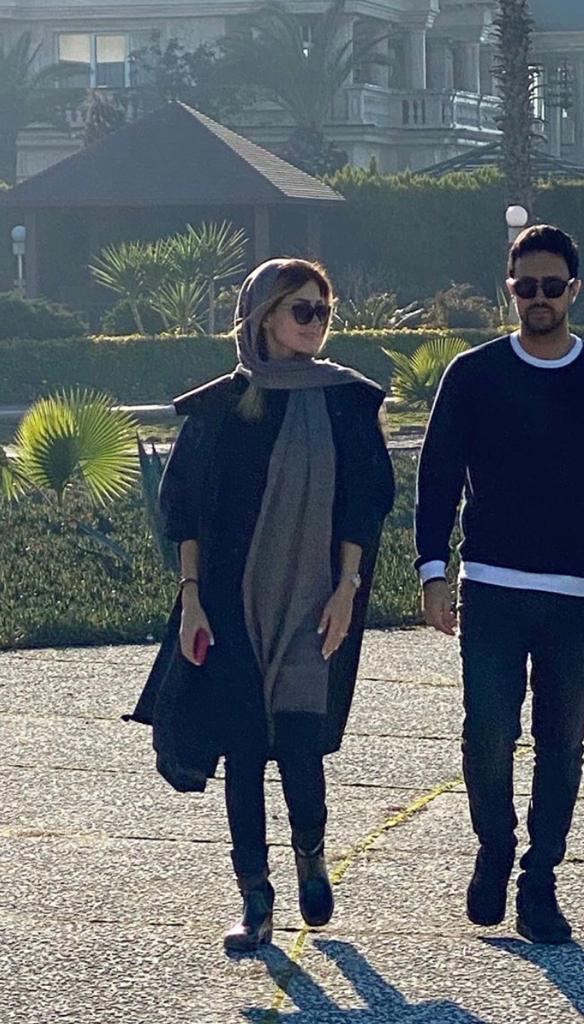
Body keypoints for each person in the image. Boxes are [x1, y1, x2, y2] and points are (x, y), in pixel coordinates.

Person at [127, 257, 395, 951]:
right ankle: (255, 898)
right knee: (243, 753)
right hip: (230, 606)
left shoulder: (346, 399)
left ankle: (311, 856)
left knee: (301, 749)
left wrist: (347, 590)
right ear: (265, 318)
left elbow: (365, 506)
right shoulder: (222, 406)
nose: (315, 323)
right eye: (301, 310)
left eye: (323, 311)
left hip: (312, 602)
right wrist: (191, 601)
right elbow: (183, 512)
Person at [414, 224, 584, 944]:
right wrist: (433, 570)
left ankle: (540, 879)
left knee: (562, 744)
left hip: (577, 593)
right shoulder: (474, 374)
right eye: (527, 286)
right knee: (488, 733)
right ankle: (494, 845)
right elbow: (436, 476)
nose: (540, 298)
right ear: (510, 288)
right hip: (492, 585)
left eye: (553, 286)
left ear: (573, 290)